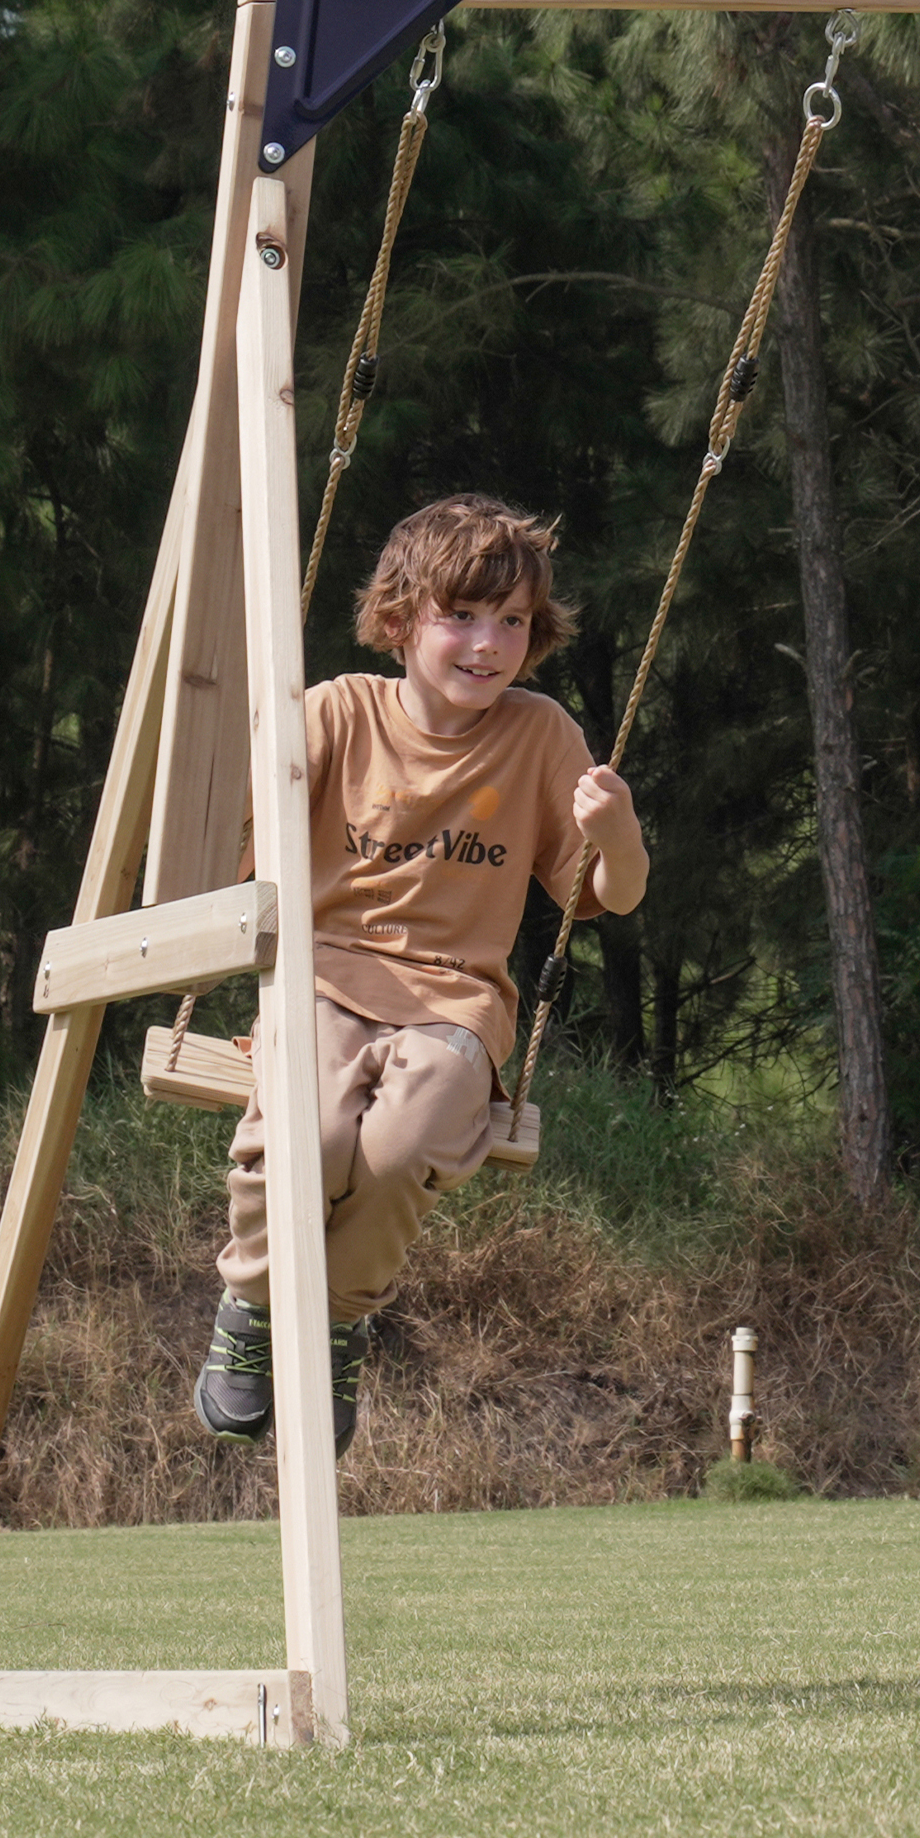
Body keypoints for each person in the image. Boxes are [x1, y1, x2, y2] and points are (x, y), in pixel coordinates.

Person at [196, 494, 647, 1450]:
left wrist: (618, 834)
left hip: (457, 1000)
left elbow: (606, 895)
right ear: (400, 621)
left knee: (402, 1149)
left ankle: (338, 1318)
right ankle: (255, 1306)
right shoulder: (335, 712)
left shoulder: (539, 736)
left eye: (513, 621)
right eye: (463, 616)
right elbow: (232, 852)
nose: (489, 644)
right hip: (322, 975)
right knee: (311, 1141)